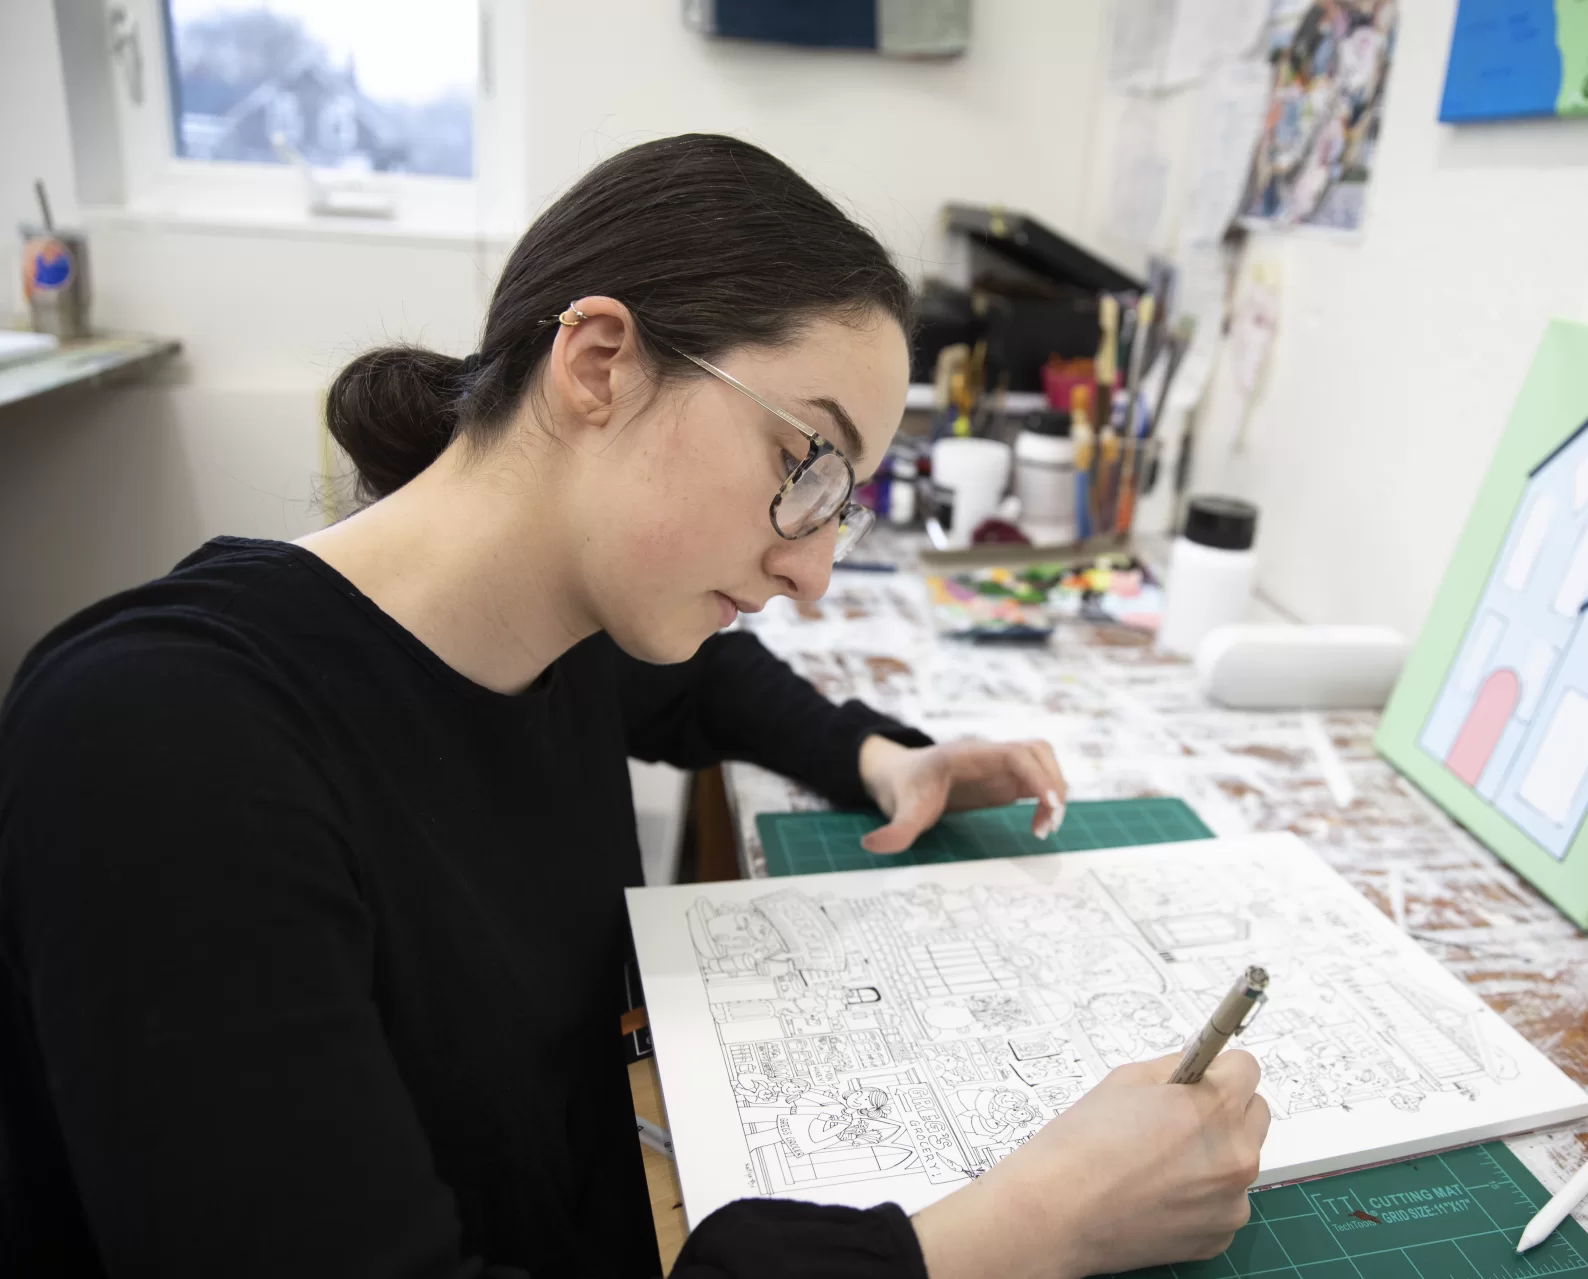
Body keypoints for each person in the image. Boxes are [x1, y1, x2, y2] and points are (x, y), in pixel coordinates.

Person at [0, 135, 1269, 1278]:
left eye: (846, 499)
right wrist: (1006, 1234)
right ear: (599, 363)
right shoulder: (161, 749)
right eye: (803, 463)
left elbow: (693, 683)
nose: (814, 566)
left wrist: (876, 756)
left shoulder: (555, 623)